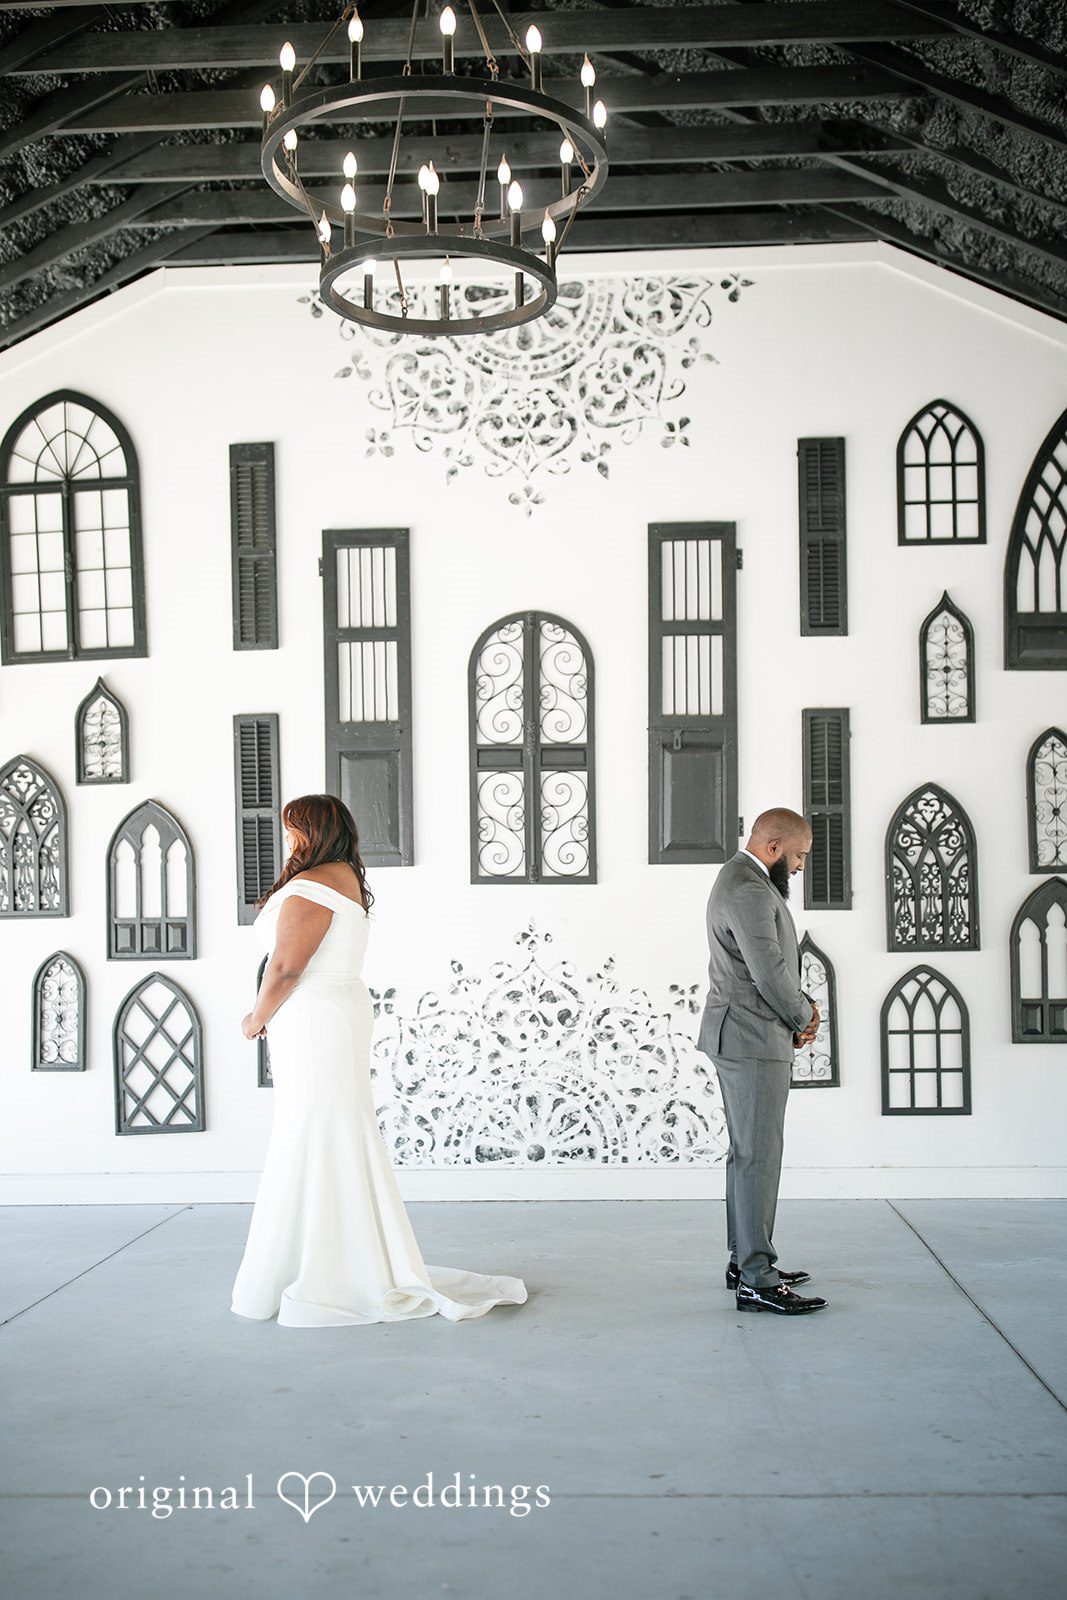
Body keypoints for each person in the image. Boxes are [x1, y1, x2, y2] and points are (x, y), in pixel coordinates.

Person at [230, 793, 528, 1328]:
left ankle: (322, 1265)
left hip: (314, 1015)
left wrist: (255, 1018)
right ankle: (348, 1254)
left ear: (311, 831)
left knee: (311, 1128)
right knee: (333, 1127)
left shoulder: (312, 884)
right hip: (335, 1011)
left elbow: (285, 969)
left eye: (292, 829)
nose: (288, 839)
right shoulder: (345, 875)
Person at [696, 808, 829, 1316]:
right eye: (798, 857)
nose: (798, 868)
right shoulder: (749, 887)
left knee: (746, 1153)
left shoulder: (740, 877)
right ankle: (756, 1276)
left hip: (746, 1033)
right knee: (758, 1156)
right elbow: (770, 971)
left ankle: (745, 1261)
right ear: (773, 847)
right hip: (751, 1037)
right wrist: (805, 1014)